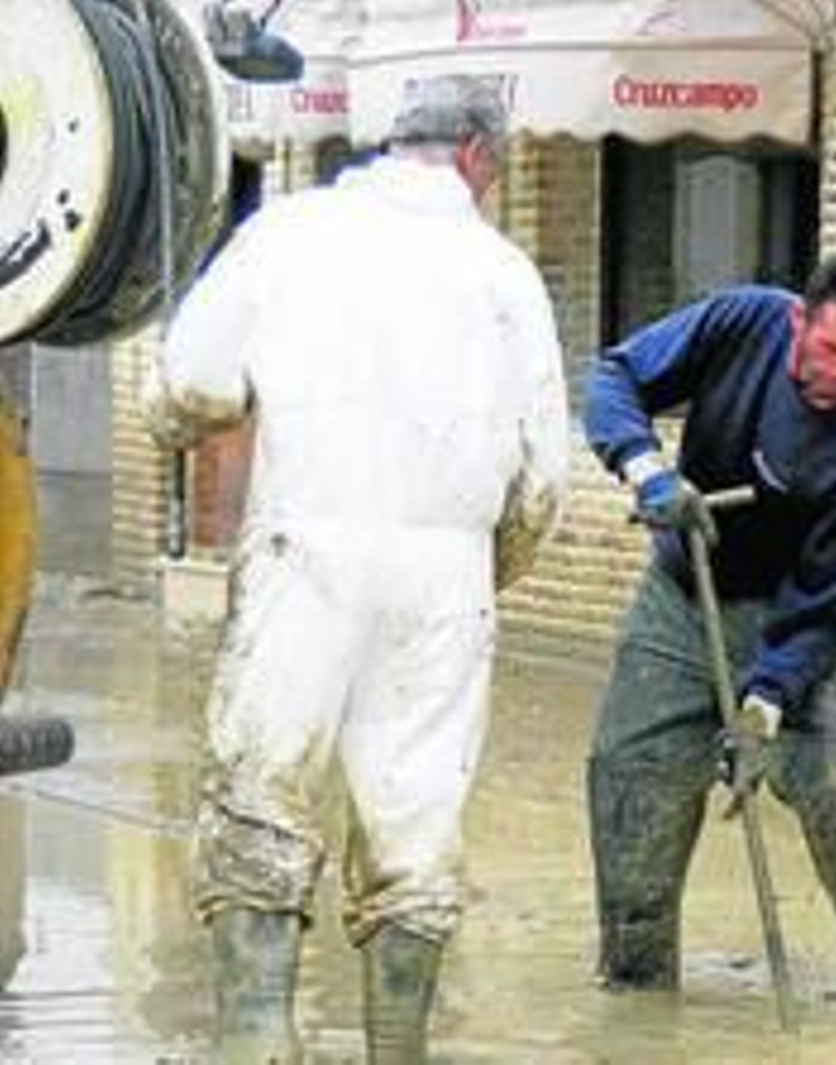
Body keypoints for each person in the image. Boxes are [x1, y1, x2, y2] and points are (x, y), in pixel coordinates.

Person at [142, 74, 570, 1062]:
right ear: (478, 156)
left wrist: (203, 423)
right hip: (445, 579)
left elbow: (190, 385)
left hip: (305, 557)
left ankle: (256, 1040)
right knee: (415, 829)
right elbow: (543, 486)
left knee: (262, 795)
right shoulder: (504, 274)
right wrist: (477, 577)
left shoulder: (289, 234)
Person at [583, 248, 836, 1022]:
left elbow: (827, 591)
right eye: (831, 348)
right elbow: (614, 376)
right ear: (799, 320)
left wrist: (766, 703)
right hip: (685, 593)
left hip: (806, 614)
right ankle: (636, 993)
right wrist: (645, 467)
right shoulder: (742, 321)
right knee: (631, 767)